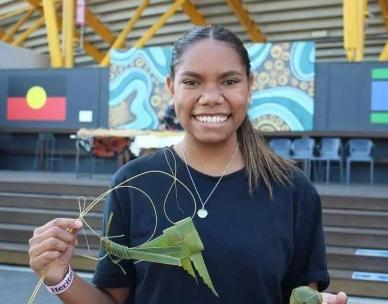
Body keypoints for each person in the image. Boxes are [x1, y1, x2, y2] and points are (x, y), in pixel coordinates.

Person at [28, 24, 348, 304]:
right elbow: (112, 299)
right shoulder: (132, 184)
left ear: (250, 87)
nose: (211, 96)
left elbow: (303, 296)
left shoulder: (293, 191)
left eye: (229, 81)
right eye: (192, 82)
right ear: (171, 88)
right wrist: (59, 276)